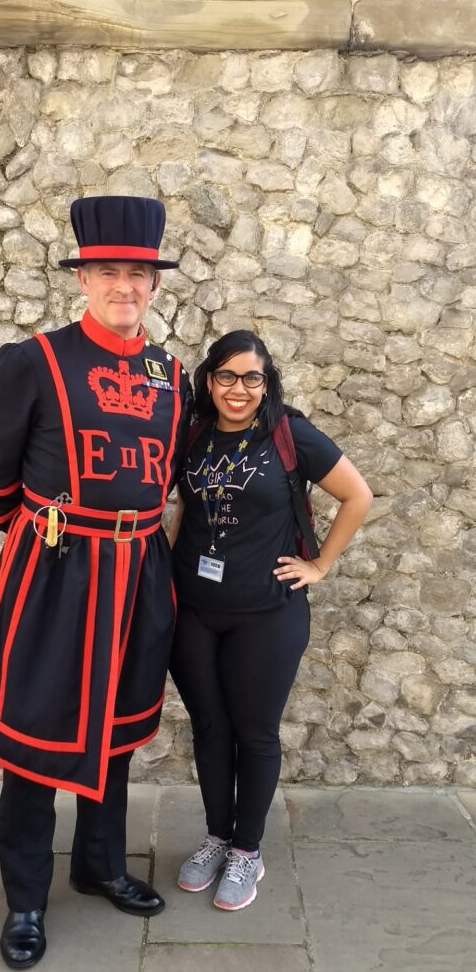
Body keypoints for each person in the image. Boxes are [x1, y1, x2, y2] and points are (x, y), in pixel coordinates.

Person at [0, 195, 191, 968]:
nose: (125, 285)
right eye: (109, 272)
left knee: (119, 730)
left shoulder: (172, 372)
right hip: (58, 571)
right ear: (83, 278)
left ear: (155, 285)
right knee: (35, 736)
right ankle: (26, 894)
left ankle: (99, 864)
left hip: (139, 571)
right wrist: (50, 541)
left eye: (138, 273)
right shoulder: (34, 360)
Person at [168, 330, 372, 911]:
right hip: (196, 613)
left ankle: (247, 851)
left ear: (267, 381)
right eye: (227, 376)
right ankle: (216, 837)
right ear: (210, 380)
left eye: (251, 377)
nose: (239, 388)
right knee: (209, 728)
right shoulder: (195, 435)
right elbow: (187, 505)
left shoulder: (289, 434)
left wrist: (319, 566)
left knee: (254, 734)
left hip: (267, 616)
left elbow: (357, 496)